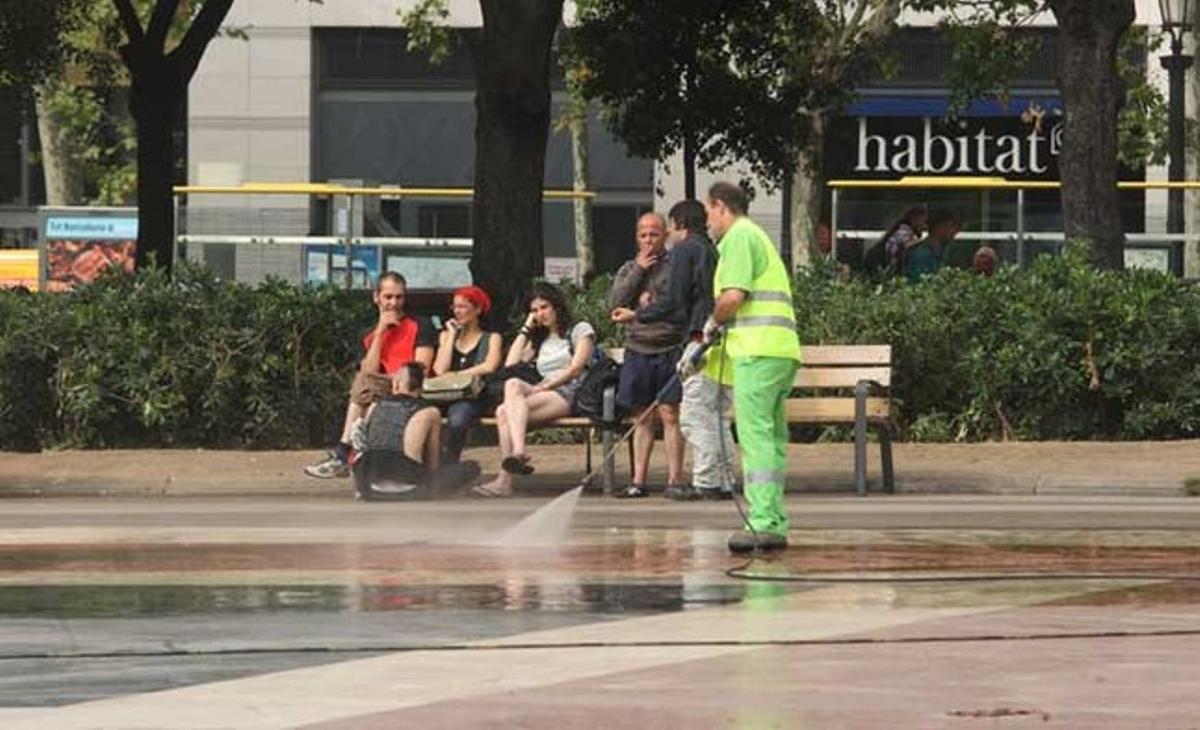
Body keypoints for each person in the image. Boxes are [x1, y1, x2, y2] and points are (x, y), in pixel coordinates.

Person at [684, 181, 801, 554]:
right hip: (779, 351)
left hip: (757, 352)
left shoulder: (737, 238)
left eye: (708, 213)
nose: (707, 222)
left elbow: (733, 297)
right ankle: (774, 521)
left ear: (721, 206)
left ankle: (763, 521)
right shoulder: (757, 236)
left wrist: (712, 322)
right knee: (772, 438)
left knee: (755, 438)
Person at [642, 200, 732, 502]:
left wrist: (639, 315)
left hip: (699, 339)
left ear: (680, 224)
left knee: (695, 414)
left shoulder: (685, 249)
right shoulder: (713, 250)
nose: (669, 232)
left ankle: (706, 482)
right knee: (717, 415)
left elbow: (674, 300)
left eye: (670, 225)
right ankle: (723, 480)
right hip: (720, 339)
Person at [304, 272, 436, 479]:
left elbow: (421, 368)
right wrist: (381, 331)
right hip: (378, 388)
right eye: (388, 297)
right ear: (376, 297)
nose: (394, 303)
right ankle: (352, 454)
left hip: (410, 385)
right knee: (366, 390)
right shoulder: (369, 333)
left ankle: (343, 453)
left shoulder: (421, 325)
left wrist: (395, 379)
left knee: (363, 385)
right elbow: (370, 369)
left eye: (399, 297)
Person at [471, 283, 595, 498]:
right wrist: (526, 327)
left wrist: (546, 386)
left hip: (569, 391)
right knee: (511, 385)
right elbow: (510, 366)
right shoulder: (540, 339)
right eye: (535, 310)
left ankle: (505, 479)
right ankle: (519, 452)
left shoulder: (580, 329)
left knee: (503, 412)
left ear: (556, 305)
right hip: (543, 391)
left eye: (544, 307)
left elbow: (576, 368)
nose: (540, 314)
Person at [607, 212, 686, 498]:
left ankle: (675, 480)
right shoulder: (629, 268)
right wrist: (639, 271)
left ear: (665, 236)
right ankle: (638, 480)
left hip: (669, 348)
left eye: (654, 234)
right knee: (642, 417)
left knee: (670, 414)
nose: (648, 240)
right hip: (638, 349)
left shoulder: (676, 267)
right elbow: (615, 303)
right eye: (643, 235)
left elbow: (677, 309)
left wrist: (640, 312)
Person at [349, 362, 445, 500]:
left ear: (396, 385)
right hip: (409, 487)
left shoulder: (375, 406)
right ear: (420, 387)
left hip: (371, 487)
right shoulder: (430, 411)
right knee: (470, 469)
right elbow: (433, 462)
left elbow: (364, 446)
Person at [431, 285, 503, 463]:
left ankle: (449, 465)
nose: (457, 311)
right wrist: (451, 337)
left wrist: (456, 375)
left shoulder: (492, 338)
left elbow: (489, 366)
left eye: (462, 306)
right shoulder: (446, 336)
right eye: (455, 307)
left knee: (458, 419)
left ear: (477, 309)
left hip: (473, 395)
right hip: (443, 393)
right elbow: (440, 370)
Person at [866, 207, 926, 277]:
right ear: (914, 220)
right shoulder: (904, 233)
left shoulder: (900, 232)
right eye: (923, 222)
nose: (925, 226)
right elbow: (905, 246)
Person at [905, 209, 960, 283]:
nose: (956, 231)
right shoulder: (921, 255)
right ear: (939, 227)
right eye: (952, 226)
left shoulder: (943, 252)